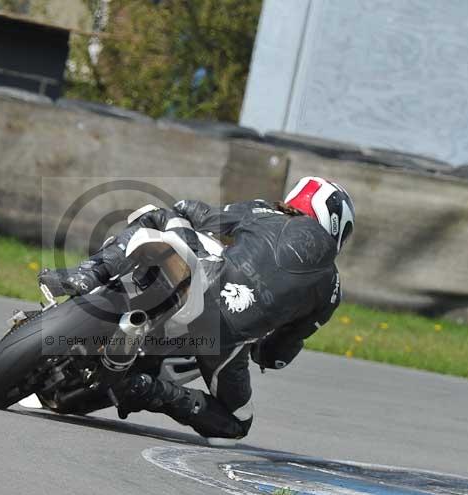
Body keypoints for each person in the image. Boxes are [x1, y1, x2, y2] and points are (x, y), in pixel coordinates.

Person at [38, 176, 355, 445]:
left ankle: (86, 274)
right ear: (338, 228)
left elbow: (195, 212)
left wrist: (189, 221)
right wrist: (262, 345)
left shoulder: (263, 211)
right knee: (235, 424)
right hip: (223, 338)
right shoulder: (332, 290)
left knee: (159, 215)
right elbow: (276, 355)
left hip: (201, 281)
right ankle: (150, 389)